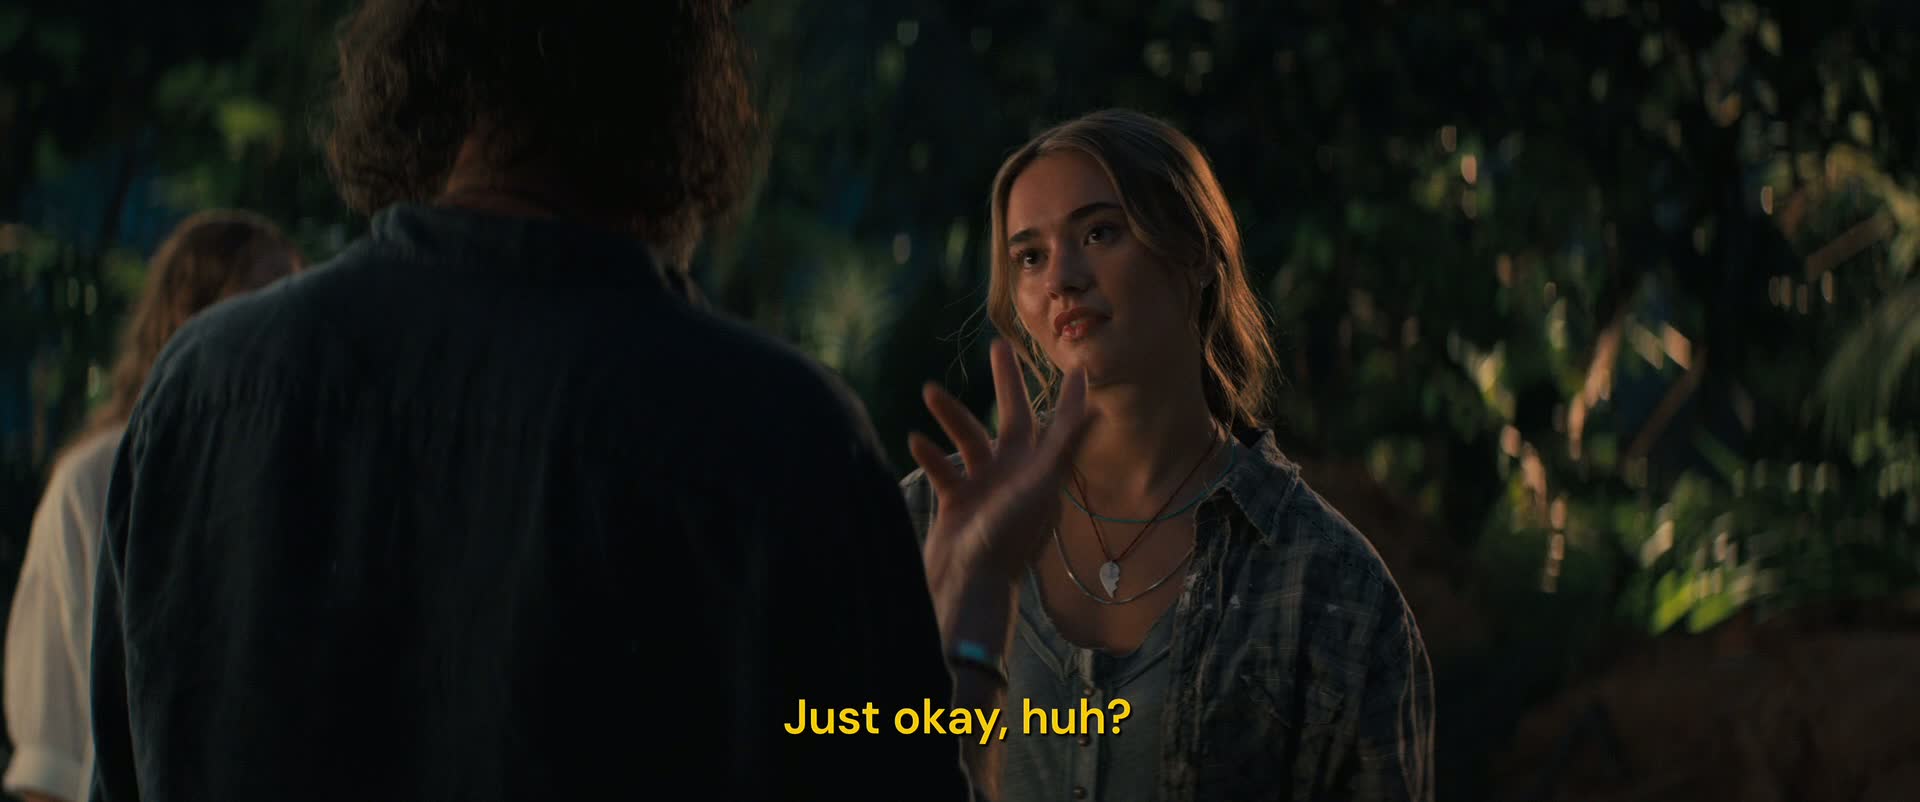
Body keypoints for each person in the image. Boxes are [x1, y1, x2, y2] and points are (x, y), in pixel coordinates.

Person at [86, 1, 983, 801]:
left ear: (419, 63)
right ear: (678, 87)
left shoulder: (202, 392)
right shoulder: (778, 440)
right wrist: (974, 628)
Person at [901, 108, 1436, 802]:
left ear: (1197, 251)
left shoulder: (1330, 587)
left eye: (1099, 232)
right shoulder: (926, 519)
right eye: (1029, 256)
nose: (1061, 278)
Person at [4, 210, 303, 802]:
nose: (280, 332)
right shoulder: (93, 482)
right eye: (257, 301)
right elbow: (51, 758)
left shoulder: (290, 477)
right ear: (187, 320)